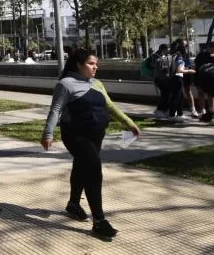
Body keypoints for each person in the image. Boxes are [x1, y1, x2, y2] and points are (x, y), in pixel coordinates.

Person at [41, 48, 141, 239]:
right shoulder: (66, 84)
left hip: (96, 135)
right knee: (94, 169)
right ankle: (99, 221)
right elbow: (55, 110)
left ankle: (73, 204)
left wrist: (130, 124)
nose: (95, 67)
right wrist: (48, 133)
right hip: (75, 135)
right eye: (91, 64)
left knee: (82, 166)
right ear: (79, 65)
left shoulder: (97, 83)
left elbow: (110, 106)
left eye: (96, 64)